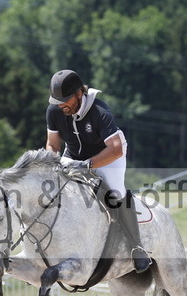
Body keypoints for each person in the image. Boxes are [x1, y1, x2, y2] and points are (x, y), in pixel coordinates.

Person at [45, 69, 152, 273]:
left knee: (115, 193)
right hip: (73, 155)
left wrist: (88, 165)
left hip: (107, 156)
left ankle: (137, 247)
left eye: (65, 100)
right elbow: (53, 144)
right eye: (58, 101)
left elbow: (115, 148)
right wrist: (51, 164)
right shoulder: (54, 110)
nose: (61, 106)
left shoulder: (99, 111)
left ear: (79, 93)